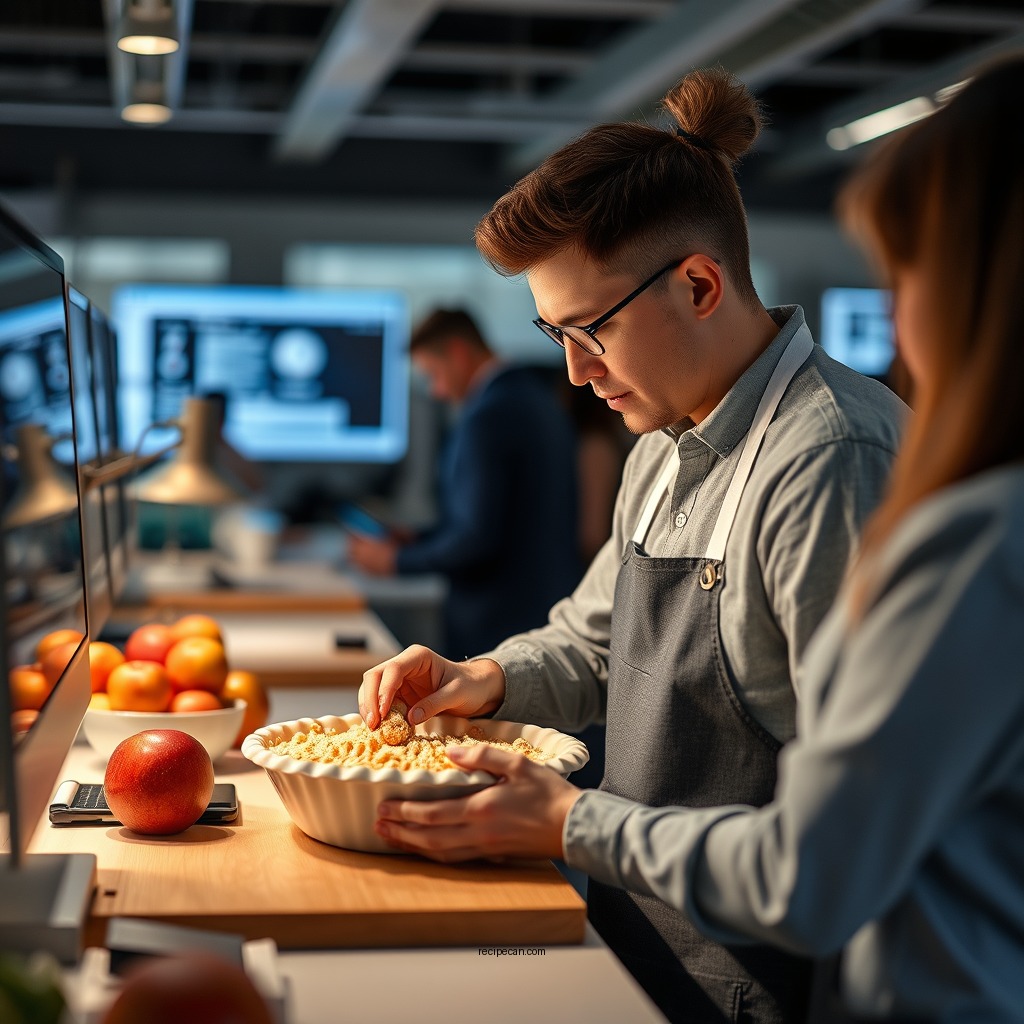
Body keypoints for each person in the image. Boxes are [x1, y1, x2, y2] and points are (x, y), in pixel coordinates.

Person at [366, 56, 1024, 1021]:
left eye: (591, 330)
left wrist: (566, 821)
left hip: (764, 981)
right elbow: (597, 639)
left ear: (702, 285)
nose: (579, 374)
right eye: (556, 338)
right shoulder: (663, 438)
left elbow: (829, 856)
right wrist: (488, 677)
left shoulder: (829, 461)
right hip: (658, 942)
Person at [347, 308, 582, 660]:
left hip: (495, 624)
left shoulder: (487, 416)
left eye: (434, 374)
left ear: (458, 353)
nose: (437, 391)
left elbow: (475, 539)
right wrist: (421, 537)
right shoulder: (536, 397)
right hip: (542, 607)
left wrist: (394, 561)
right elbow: (506, 516)